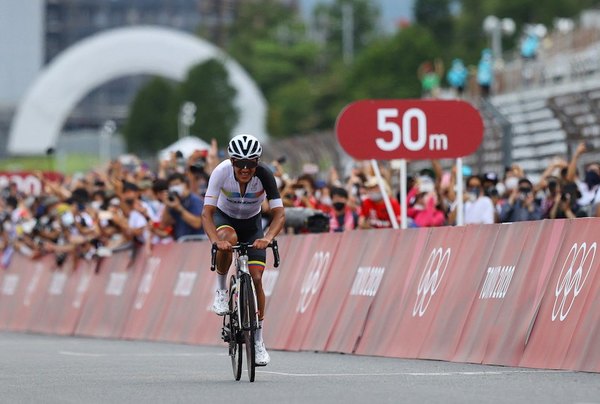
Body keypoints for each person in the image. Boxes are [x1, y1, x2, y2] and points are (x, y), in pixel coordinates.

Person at [201, 134, 285, 366]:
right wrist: (216, 240)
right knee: (228, 238)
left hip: (252, 223)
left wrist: (268, 237)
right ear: (232, 161)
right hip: (224, 218)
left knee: (257, 277)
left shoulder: (265, 175)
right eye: (240, 163)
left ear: (257, 162)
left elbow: (279, 213)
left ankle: (258, 341)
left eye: (251, 163)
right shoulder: (221, 172)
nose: (245, 169)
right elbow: (207, 214)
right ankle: (221, 292)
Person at [161, 173, 204, 240]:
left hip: (196, 242)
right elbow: (164, 225)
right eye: (171, 185)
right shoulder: (173, 201)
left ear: (185, 184)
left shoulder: (194, 200)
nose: (174, 187)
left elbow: (197, 224)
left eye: (177, 184)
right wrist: (167, 205)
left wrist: (179, 208)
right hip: (180, 243)